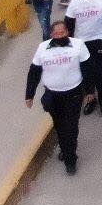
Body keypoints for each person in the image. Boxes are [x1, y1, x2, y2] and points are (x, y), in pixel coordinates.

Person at [25, 19, 90, 175]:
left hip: (73, 92)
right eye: (56, 33)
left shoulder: (78, 45)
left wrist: (89, 91)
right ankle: (64, 147)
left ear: (67, 32)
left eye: (62, 33)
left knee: (71, 126)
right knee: (59, 125)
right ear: (52, 34)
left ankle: (70, 159)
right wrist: (30, 94)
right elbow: (34, 71)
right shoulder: (43, 48)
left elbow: (87, 69)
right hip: (53, 94)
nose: (60, 35)